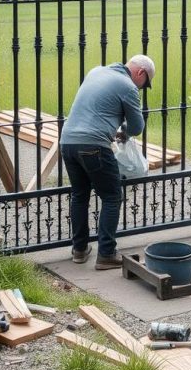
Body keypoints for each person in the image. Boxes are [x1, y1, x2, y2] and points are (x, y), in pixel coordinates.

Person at [60, 54, 155, 269]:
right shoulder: (128, 86)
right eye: (145, 83)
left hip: (67, 142)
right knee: (112, 196)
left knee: (79, 195)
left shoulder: (96, 71)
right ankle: (106, 254)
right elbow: (137, 127)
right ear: (140, 73)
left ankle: (79, 249)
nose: (142, 88)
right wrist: (125, 133)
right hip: (93, 145)